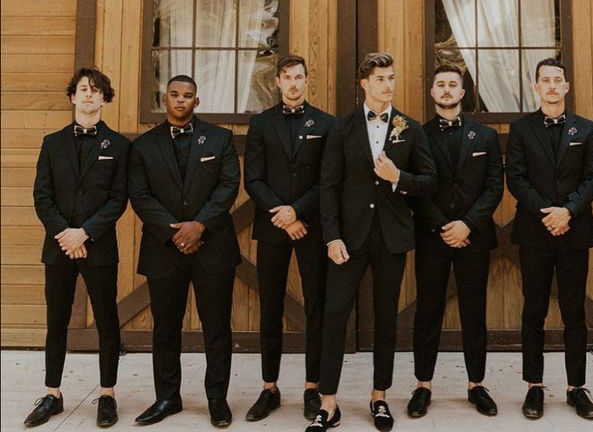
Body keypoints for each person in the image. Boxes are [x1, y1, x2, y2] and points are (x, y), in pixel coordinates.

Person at [307, 52, 437, 432]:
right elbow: (328, 187)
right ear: (364, 84)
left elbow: (429, 181)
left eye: (391, 78)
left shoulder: (410, 128)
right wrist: (331, 236)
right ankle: (328, 403)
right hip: (347, 238)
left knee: (385, 319)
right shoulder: (341, 128)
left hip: (391, 238)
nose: (388, 84)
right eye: (380, 79)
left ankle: (379, 397)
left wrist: (399, 177)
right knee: (334, 317)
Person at [128, 75, 241, 428]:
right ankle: (167, 397)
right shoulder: (144, 146)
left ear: (197, 100)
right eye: (174, 95)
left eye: (187, 96)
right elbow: (140, 194)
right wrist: (174, 231)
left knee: (217, 327)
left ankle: (217, 400)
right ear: (165, 100)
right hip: (165, 248)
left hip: (213, 247)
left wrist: (199, 225)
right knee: (165, 327)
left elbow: (228, 186)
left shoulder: (220, 138)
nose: (180, 100)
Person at [26, 67, 130, 430]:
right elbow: (42, 196)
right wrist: (65, 235)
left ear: (104, 98)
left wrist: (84, 233)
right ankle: (52, 393)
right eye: (83, 89)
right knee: (56, 321)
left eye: (96, 90)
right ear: (73, 96)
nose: (89, 95)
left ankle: (107, 394)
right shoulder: (51, 143)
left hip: (98, 246)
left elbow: (118, 200)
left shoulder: (119, 146)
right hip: (58, 247)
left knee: (106, 321)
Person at [506, 57, 593, 421]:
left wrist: (569, 211)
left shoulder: (586, 129)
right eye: (544, 80)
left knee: (574, 313)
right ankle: (534, 386)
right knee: (534, 311)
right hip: (536, 232)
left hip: (574, 232)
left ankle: (577, 387)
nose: (550, 85)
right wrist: (548, 212)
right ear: (536, 87)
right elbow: (516, 179)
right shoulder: (521, 130)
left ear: (566, 86)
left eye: (556, 80)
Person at [408, 65, 504, 419]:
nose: (447, 90)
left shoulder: (486, 137)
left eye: (453, 85)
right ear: (432, 93)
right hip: (433, 236)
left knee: (474, 311)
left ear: (463, 93)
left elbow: (495, 187)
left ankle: (476, 384)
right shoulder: (417, 135)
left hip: (474, 237)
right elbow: (416, 188)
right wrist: (442, 226)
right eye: (441, 85)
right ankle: (422, 385)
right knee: (427, 311)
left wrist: (466, 224)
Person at [244, 55, 333, 422]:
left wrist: (298, 211)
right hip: (273, 227)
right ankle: (269, 387)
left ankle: (313, 387)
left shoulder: (326, 124)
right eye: (287, 78)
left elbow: (327, 180)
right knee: (271, 306)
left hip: (312, 227)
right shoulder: (261, 124)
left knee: (317, 307)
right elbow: (254, 179)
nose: (293, 83)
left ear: (307, 81)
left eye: (299, 77)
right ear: (278, 82)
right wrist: (283, 216)